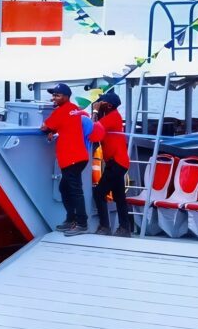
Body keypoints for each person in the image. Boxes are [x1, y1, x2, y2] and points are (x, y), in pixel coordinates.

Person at [41, 83, 89, 235]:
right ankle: (71, 219)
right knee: (65, 188)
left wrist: (50, 129)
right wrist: (55, 129)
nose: (54, 98)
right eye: (53, 95)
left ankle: (82, 224)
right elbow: (65, 125)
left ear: (66, 97)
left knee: (75, 191)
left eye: (57, 95)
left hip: (71, 158)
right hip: (79, 156)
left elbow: (44, 127)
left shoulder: (61, 112)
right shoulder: (74, 108)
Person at [88, 92, 135, 237]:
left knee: (99, 193)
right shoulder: (111, 117)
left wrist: (95, 111)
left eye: (100, 103)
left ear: (108, 105)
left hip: (116, 162)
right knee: (119, 196)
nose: (97, 105)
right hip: (117, 162)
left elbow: (93, 132)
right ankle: (124, 229)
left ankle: (105, 227)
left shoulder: (112, 117)